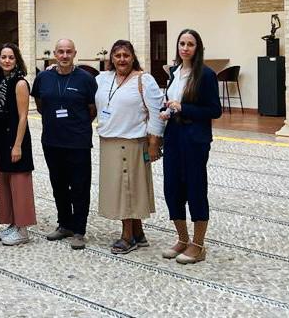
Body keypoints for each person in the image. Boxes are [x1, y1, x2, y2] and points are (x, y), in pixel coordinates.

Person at [94, 41, 165, 254]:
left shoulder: (144, 80)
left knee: (128, 189)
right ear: (111, 59)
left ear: (133, 57)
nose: (122, 59)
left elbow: (156, 114)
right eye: (118, 55)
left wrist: (154, 144)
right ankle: (138, 232)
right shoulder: (102, 79)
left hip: (132, 142)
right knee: (122, 187)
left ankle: (127, 236)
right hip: (109, 142)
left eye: (126, 55)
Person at [159, 29, 222, 264]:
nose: (185, 48)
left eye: (190, 44)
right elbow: (173, 102)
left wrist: (184, 108)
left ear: (198, 48)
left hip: (195, 138)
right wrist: (167, 111)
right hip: (174, 135)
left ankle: (198, 244)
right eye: (182, 44)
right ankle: (182, 238)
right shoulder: (175, 72)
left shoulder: (205, 75)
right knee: (172, 187)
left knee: (195, 187)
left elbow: (214, 110)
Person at [31, 38, 97, 250]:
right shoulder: (43, 77)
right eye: (61, 51)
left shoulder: (85, 79)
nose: (65, 55)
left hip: (78, 142)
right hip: (52, 141)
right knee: (58, 185)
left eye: (69, 51)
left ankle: (79, 229)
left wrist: (77, 124)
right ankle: (64, 224)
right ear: (55, 54)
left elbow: (92, 109)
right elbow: (41, 105)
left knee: (79, 186)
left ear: (75, 53)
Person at [0, 43, 37, 247]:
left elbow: (23, 116)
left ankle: (23, 228)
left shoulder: (20, 83)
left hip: (15, 138)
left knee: (19, 182)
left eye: (11, 57)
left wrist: (17, 145)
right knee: (4, 182)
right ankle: (12, 222)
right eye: (3, 57)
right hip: (1, 139)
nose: (7, 60)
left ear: (16, 60)